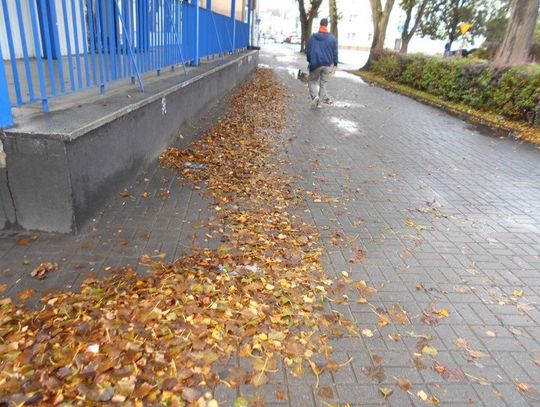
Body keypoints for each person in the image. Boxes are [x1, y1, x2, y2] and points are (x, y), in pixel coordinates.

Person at [306, 18, 338, 108]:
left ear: (320, 25)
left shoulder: (313, 38)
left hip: (315, 64)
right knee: (323, 84)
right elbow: (335, 52)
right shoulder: (332, 38)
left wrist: (309, 60)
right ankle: (319, 103)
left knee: (312, 81)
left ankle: (315, 97)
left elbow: (308, 51)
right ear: (326, 25)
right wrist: (335, 63)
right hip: (327, 65)